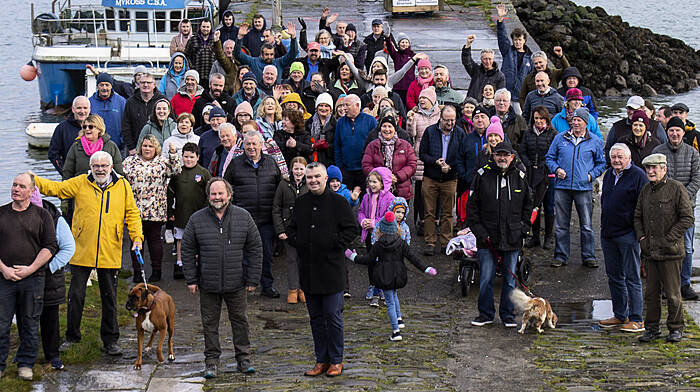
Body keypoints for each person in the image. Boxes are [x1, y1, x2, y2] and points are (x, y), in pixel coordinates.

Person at [34, 151, 143, 356]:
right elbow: (57, 189)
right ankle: (72, 337)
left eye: (104, 166)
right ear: (90, 167)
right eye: (96, 166)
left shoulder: (123, 186)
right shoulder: (80, 182)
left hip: (109, 250)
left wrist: (137, 238)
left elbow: (132, 214)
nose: (100, 169)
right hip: (81, 249)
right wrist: (34, 180)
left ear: (111, 167)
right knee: (75, 295)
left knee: (109, 298)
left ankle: (110, 340)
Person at [181, 177, 262, 378]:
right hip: (207, 283)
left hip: (236, 282)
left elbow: (255, 248)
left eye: (220, 193)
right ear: (208, 196)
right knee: (209, 323)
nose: (217, 197)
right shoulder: (196, 219)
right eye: (213, 194)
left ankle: (243, 359)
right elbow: (187, 250)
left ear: (229, 195)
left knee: (240, 321)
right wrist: (191, 279)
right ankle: (211, 362)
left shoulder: (243, 217)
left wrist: (253, 279)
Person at [286, 162, 359, 377]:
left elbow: (351, 229)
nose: (313, 181)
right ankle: (321, 359)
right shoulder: (301, 203)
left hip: (332, 270)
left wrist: (333, 243)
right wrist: (300, 242)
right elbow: (291, 229)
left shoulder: (338, 202)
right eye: (309, 178)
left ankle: (336, 360)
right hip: (308, 270)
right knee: (316, 319)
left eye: (317, 177)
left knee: (332, 317)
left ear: (325, 178)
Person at [0, 174, 58, 381]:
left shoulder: (43, 216)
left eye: (21, 186)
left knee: (30, 323)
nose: (16, 189)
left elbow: (51, 246)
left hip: (33, 278)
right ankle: (0, 365)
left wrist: (31, 269)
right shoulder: (1, 213)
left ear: (32, 191)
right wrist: (4, 269)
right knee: (1, 323)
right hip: (4, 278)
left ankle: (26, 364)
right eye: (14, 184)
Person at [467, 142, 531, 328]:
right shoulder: (482, 176)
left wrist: (523, 229)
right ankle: (485, 314)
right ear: (493, 155)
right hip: (487, 238)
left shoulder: (520, 177)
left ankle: (507, 316)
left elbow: (529, 205)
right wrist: (480, 233)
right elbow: (471, 209)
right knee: (486, 278)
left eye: (506, 155)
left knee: (510, 280)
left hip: (512, 238)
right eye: (498, 154)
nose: (502, 158)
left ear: (512, 157)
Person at [349, 210, 437, 341]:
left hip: (384, 276)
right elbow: (413, 258)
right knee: (394, 295)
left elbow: (368, 260)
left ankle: (396, 331)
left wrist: (353, 256)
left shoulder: (378, 244)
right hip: (398, 274)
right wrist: (426, 268)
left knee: (389, 301)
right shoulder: (401, 243)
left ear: (381, 229)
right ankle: (399, 319)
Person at [635, 153, 693, 343]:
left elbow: (687, 218)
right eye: (648, 168)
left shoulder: (677, 189)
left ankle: (676, 328)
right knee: (651, 295)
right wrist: (642, 238)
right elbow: (637, 216)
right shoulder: (645, 190)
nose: (651, 171)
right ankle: (652, 328)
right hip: (650, 252)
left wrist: (670, 238)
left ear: (664, 169)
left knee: (673, 294)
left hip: (671, 252)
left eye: (655, 168)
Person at [545, 107, 606, 268]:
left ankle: (589, 256)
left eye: (579, 120)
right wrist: (557, 169)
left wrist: (591, 176)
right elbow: (550, 158)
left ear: (586, 123)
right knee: (561, 224)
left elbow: (601, 163)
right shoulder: (560, 138)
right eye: (573, 120)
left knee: (586, 224)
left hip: (584, 187)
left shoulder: (595, 141)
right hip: (562, 187)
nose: (575, 123)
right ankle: (560, 256)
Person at [224, 131, 282, 298]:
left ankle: (267, 286)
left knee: (266, 254)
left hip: (266, 218)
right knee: (242, 256)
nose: (251, 147)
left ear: (261, 145)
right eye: (248, 144)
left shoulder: (271, 163)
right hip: (242, 219)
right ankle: (242, 287)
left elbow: (279, 189)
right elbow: (226, 188)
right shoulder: (235, 164)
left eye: (254, 144)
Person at [598, 143, 648, 332]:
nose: (617, 160)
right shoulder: (610, 174)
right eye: (614, 157)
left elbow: (643, 206)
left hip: (628, 234)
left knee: (632, 277)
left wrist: (639, 233)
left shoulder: (638, 176)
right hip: (608, 233)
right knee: (614, 276)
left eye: (620, 157)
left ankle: (637, 318)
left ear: (628, 158)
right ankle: (620, 314)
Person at [652, 116, 700, 300]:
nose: (674, 133)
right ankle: (666, 284)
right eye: (671, 130)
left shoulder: (692, 153)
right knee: (665, 245)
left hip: (686, 208)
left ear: (682, 132)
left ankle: (684, 284)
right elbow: (655, 177)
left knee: (687, 247)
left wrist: (682, 199)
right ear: (667, 132)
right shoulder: (658, 151)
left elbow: (697, 179)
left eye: (677, 130)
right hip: (663, 207)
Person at [123, 135, 181, 282]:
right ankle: (137, 272)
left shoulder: (162, 162)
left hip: (155, 210)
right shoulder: (130, 161)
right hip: (134, 210)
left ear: (156, 148)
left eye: (150, 146)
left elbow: (176, 170)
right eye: (145, 146)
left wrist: (173, 153)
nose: (147, 149)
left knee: (154, 241)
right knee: (135, 242)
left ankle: (156, 271)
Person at [28, 188, 74, 372]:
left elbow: (68, 248)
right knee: (26, 316)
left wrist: (49, 268)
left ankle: (53, 355)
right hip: (22, 276)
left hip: (48, 277)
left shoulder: (56, 219)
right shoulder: (11, 214)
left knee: (49, 318)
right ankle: (25, 354)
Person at [419, 105, 466, 255]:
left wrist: (450, 166)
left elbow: (461, 155)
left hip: (450, 178)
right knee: (429, 211)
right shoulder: (430, 131)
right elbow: (422, 154)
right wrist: (436, 162)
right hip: (430, 176)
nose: (450, 123)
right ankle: (430, 242)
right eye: (447, 120)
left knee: (448, 212)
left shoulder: (459, 133)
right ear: (440, 118)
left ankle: (446, 242)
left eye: (452, 120)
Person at [167, 142, 210, 279]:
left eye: (192, 157)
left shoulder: (204, 173)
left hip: (199, 214)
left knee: (198, 240)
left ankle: (198, 264)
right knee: (180, 239)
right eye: (186, 156)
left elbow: (209, 194)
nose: (189, 159)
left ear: (197, 157)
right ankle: (180, 263)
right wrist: (170, 212)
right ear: (182, 157)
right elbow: (170, 193)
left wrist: (206, 210)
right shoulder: (177, 172)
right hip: (181, 213)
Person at [519, 106, 557, 248]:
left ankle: (548, 237)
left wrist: (543, 164)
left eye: (541, 118)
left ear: (546, 118)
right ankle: (535, 237)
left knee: (549, 206)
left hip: (548, 174)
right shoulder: (528, 133)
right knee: (534, 204)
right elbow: (522, 151)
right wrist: (529, 164)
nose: (539, 121)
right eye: (536, 118)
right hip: (531, 174)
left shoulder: (553, 133)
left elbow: (554, 153)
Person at [272, 156, 309, 304]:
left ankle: (304, 289)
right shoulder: (283, 184)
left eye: (301, 168)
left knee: (305, 261)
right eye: (296, 168)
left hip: (306, 230)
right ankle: (293, 289)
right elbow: (276, 208)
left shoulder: (310, 184)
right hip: (289, 229)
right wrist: (280, 230)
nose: (298, 171)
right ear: (291, 169)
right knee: (292, 260)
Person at [406, 86, 440, 233]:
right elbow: (411, 133)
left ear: (432, 100)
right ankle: (421, 220)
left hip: (436, 154)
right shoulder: (416, 114)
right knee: (420, 190)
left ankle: (436, 219)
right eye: (420, 98)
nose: (421, 101)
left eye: (424, 98)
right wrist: (409, 121)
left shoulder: (439, 114)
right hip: (420, 155)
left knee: (436, 189)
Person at [362, 116, 417, 200]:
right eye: (384, 126)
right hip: (378, 188)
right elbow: (366, 165)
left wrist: (397, 177)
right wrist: (382, 176)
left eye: (390, 126)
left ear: (394, 129)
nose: (387, 129)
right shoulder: (372, 145)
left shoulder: (405, 145)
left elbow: (412, 164)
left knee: (398, 212)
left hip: (401, 189)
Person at [605, 96, 668, 163]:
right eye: (629, 108)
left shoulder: (656, 126)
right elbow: (608, 149)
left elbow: (665, 147)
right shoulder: (617, 127)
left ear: (643, 108)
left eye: (635, 109)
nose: (631, 112)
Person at [334, 94, 378, 190]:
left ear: (357, 105)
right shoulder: (340, 122)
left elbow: (375, 145)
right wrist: (340, 167)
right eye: (343, 105)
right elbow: (337, 145)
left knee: (366, 200)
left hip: (365, 170)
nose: (344, 108)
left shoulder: (370, 121)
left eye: (347, 105)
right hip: (346, 170)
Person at [495, 3, 532, 115]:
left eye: (520, 40)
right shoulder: (508, 51)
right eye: (515, 40)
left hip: (520, 98)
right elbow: (502, 37)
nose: (517, 42)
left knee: (520, 122)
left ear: (524, 40)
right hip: (506, 95)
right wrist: (500, 20)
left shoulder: (530, 58)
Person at [63, 114, 124, 179]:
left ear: (99, 129)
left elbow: (118, 172)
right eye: (84, 127)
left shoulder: (111, 146)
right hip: (81, 186)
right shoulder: (76, 146)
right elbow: (67, 172)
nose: (87, 129)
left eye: (90, 127)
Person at [234, 22, 298, 83]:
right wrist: (240, 37)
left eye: (271, 54)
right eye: (266, 54)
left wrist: (294, 38)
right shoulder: (253, 62)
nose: (269, 57)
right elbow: (237, 54)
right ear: (261, 54)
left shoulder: (279, 63)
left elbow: (292, 54)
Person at [122, 73, 165, 156]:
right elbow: (126, 126)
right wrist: (131, 147)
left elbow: (169, 124)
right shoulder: (130, 102)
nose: (146, 85)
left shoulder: (162, 101)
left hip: (159, 150)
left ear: (154, 85)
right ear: (138, 84)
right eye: (143, 82)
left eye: (148, 83)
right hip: (136, 150)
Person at [50, 96, 91, 177]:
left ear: (89, 109)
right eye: (79, 108)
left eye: (85, 108)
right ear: (73, 109)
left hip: (94, 177)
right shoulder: (62, 128)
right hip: (71, 178)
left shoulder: (97, 127)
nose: (82, 111)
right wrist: (64, 172)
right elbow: (53, 154)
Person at [462, 34, 506, 100]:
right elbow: (467, 61)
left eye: (489, 59)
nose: (487, 62)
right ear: (481, 59)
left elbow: (500, 95)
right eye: (485, 59)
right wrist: (468, 45)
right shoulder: (476, 70)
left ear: (493, 59)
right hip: (473, 104)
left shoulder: (500, 76)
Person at [89, 73, 126, 151]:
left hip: (117, 147)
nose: (104, 88)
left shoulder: (121, 102)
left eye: (107, 85)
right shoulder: (90, 102)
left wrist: (122, 141)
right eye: (101, 85)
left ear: (111, 86)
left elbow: (127, 123)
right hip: (94, 147)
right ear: (97, 86)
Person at [306, 93, 336, 167]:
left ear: (331, 109)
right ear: (316, 107)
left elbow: (338, 144)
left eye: (326, 106)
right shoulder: (309, 122)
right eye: (321, 105)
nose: (323, 108)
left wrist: (327, 146)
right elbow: (305, 140)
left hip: (329, 161)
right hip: (312, 159)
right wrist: (313, 145)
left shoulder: (335, 124)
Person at [385, 32, 416, 104]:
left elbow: (421, 65)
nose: (404, 44)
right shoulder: (396, 55)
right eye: (402, 42)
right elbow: (389, 46)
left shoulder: (413, 55)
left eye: (406, 42)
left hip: (410, 86)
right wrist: (387, 37)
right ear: (398, 44)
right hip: (398, 86)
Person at [184, 20, 216, 88]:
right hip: (197, 75)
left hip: (211, 74)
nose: (206, 29)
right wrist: (192, 67)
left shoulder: (215, 40)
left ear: (211, 28)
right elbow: (186, 55)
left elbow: (219, 55)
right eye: (204, 27)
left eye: (208, 27)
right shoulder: (193, 39)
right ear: (200, 27)